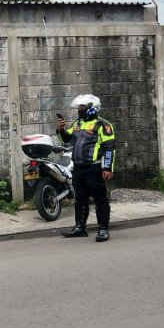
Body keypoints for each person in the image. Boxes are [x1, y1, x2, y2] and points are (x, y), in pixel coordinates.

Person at [55, 94, 116, 242]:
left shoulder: (103, 125)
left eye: (82, 108)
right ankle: (80, 227)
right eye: (79, 108)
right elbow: (67, 140)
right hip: (78, 168)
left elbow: (109, 148)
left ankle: (103, 229)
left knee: (100, 199)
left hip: (95, 168)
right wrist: (61, 129)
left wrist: (107, 168)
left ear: (91, 108)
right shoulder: (78, 123)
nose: (79, 110)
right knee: (80, 199)